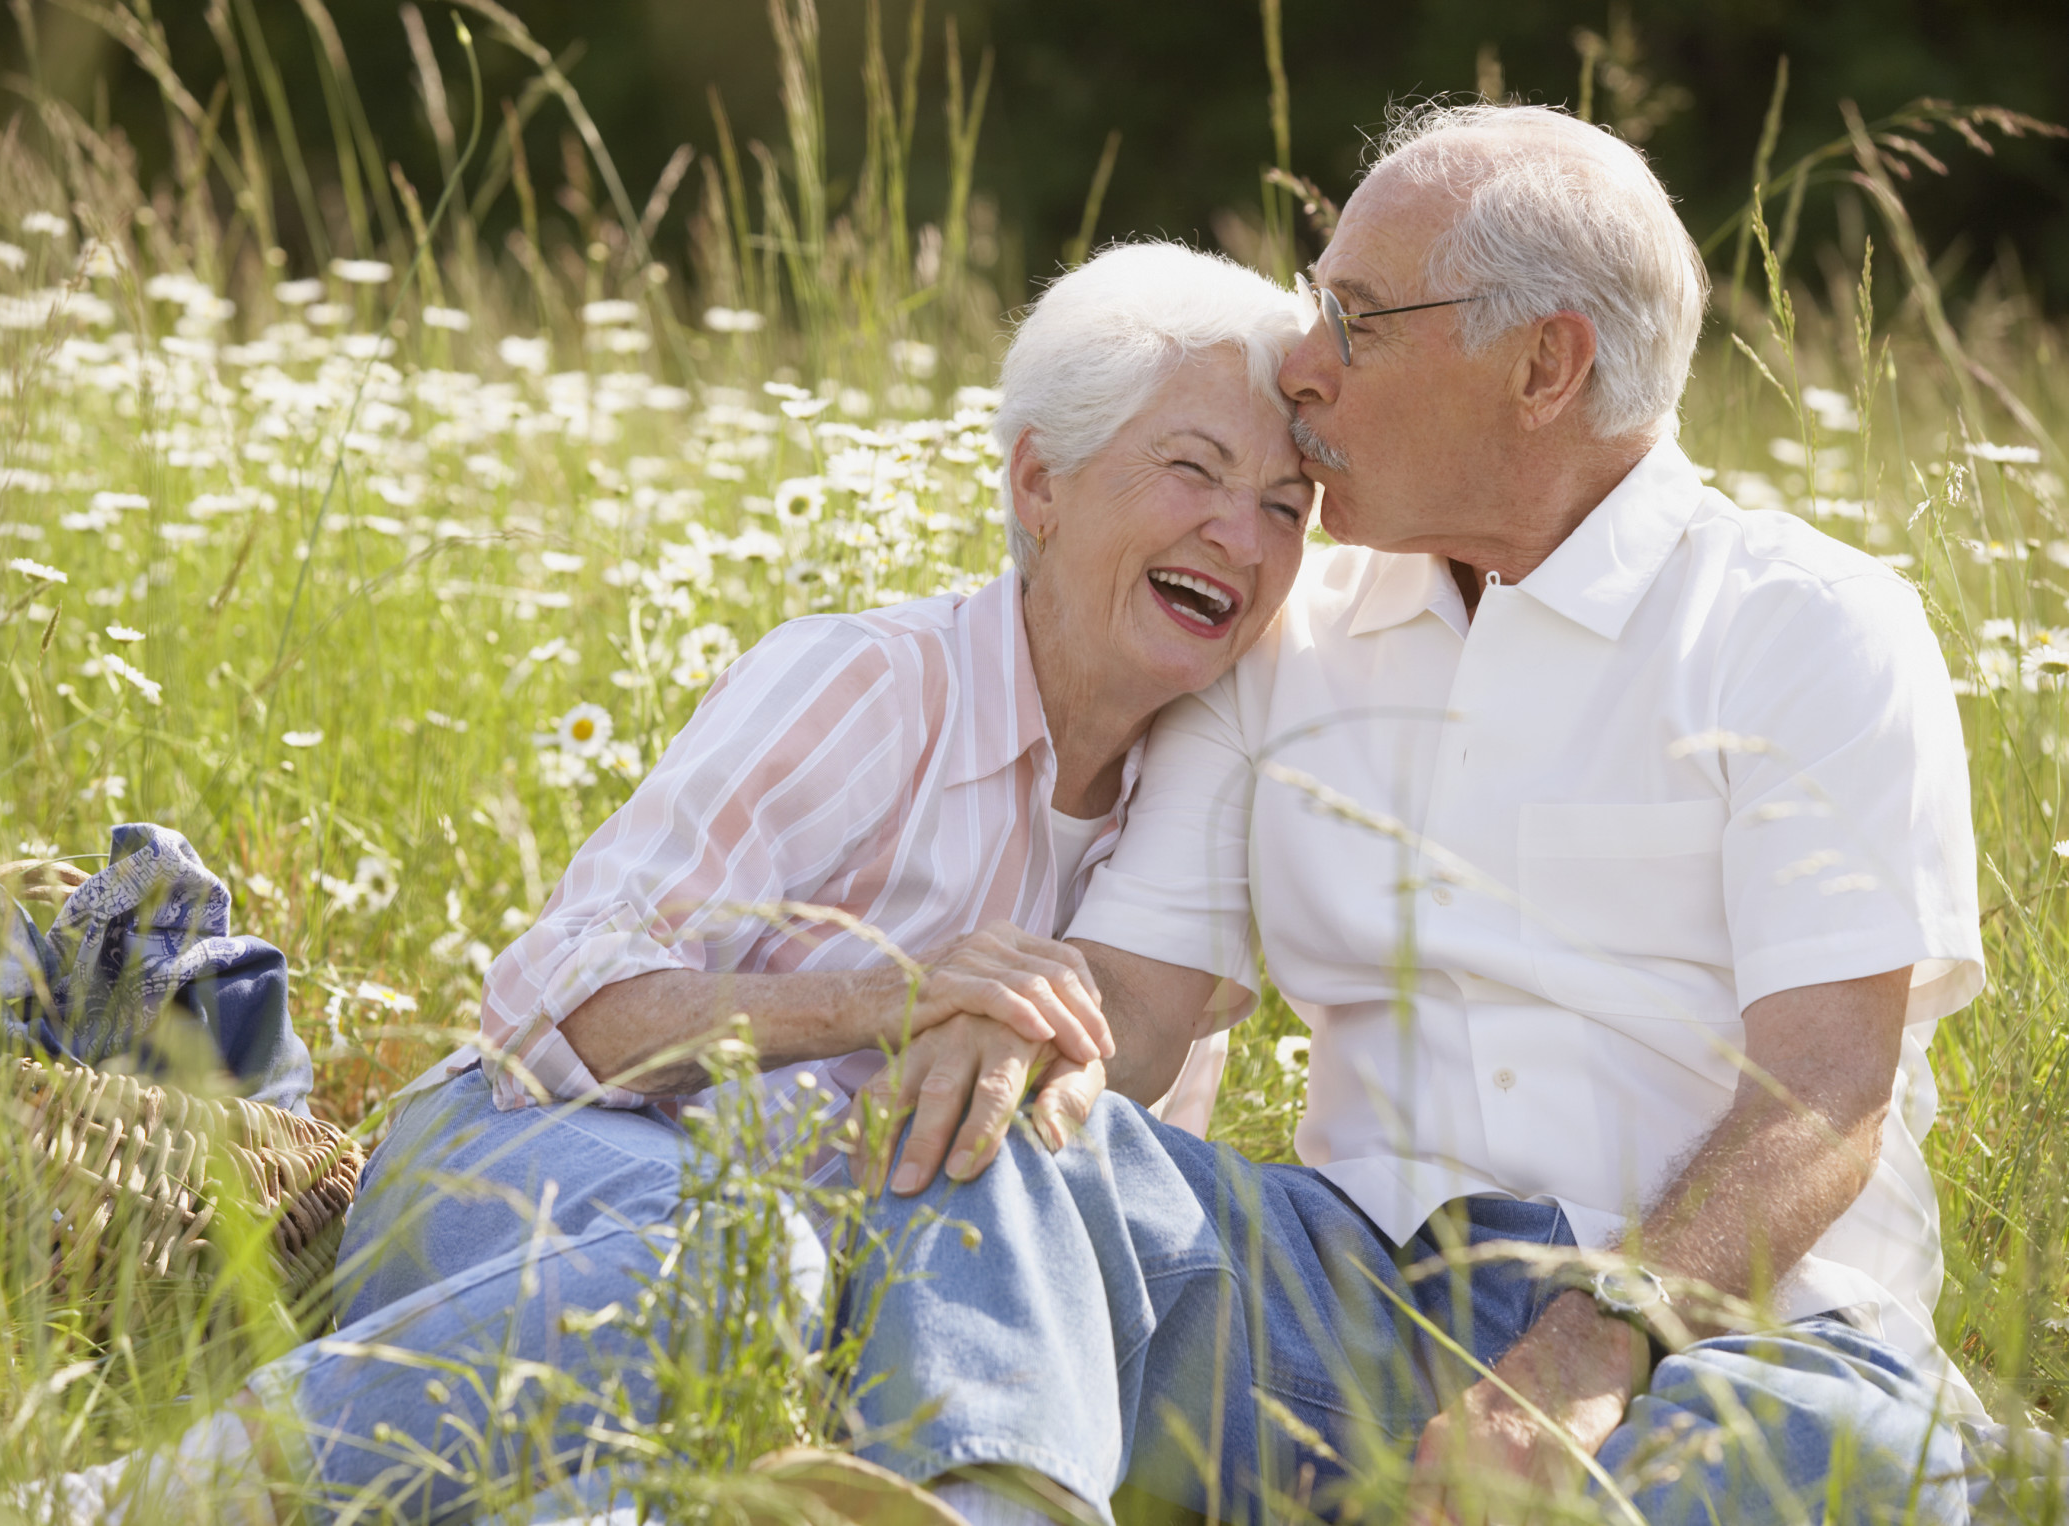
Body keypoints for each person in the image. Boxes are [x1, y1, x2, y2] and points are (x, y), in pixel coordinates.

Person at [840, 103, 2053, 1526]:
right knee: (990, 1131)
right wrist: (1015, 1019)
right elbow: (1142, 995)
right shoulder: (1290, 632)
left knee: (1785, 1456)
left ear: (1544, 363)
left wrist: (1581, 1357)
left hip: (1719, 1341)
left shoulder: (1806, 628)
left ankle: (1962, 1469)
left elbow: (1826, 1096)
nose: (1299, 370)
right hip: (1346, 1299)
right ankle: (989, 1504)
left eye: (1357, 319)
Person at [37, 240, 1313, 1526]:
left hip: (808, 1316)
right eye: (1193, 470)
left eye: (1284, 504)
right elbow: (555, 1001)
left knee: (698, 1469)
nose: (1240, 536)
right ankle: (122, 1503)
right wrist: (886, 1001)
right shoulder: (873, 685)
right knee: (745, 1262)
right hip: (538, 1162)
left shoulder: (1192, 845)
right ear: (1039, 482)